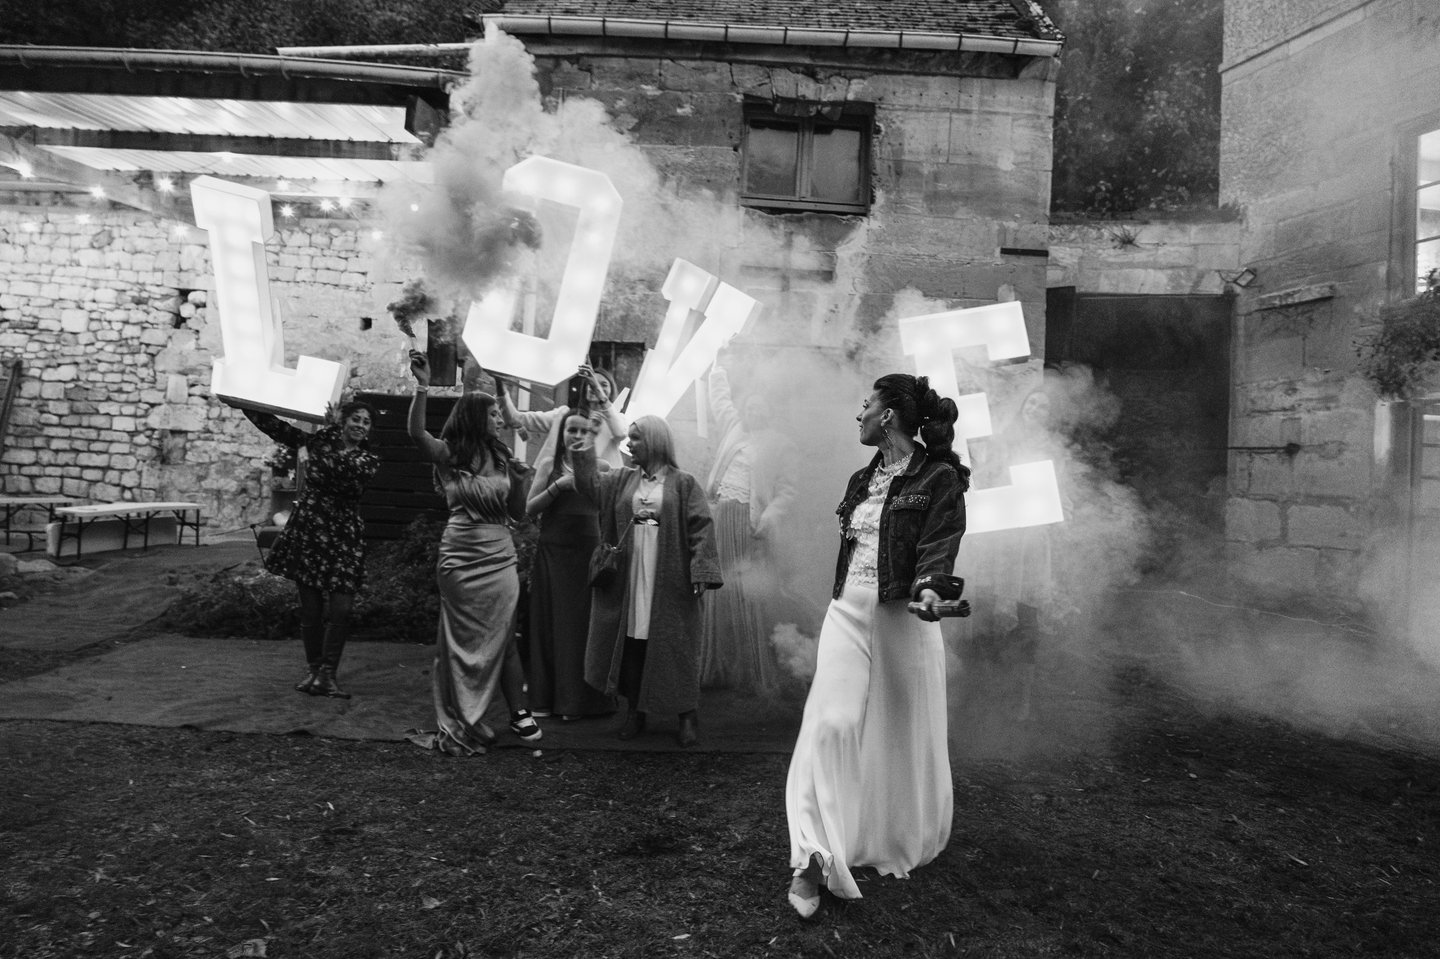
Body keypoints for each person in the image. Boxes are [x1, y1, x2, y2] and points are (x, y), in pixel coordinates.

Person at [784, 373, 968, 919]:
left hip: (901, 619)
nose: (857, 414)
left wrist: (931, 588)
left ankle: (884, 831)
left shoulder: (939, 479)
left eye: (865, 405)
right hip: (847, 613)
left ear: (887, 416)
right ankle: (811, 860)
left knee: (897, 732)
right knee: (831, 724)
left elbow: (939, 544)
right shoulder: (859, 479)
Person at [406, 351, 540, 756]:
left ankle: (520, 712)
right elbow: (416, 435)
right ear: (477, 417)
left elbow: (517, 514)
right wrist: (423, 386)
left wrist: (518, 483)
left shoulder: (502, 458)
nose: (501, 421)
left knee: (505, 633)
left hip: (499, 555)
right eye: (495, 415)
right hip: (459, 557)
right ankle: (466, 714)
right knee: (459, 640)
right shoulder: (450, 455)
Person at [572, 415, 722, 747]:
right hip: (630, 575)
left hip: (669, 574)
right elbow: (588, 487)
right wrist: (583, 447)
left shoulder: (684, 483)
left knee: (676, 645)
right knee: (632, 642)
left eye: (636, 438)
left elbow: (701, 527)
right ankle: (634, 712)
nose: (628, 444)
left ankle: (686, 714)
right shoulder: (622, 479)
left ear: (654, 442)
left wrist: (701, 570)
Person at [236, 400, 380, 699]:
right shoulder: (318, 442)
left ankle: (328, 673)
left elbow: (337, 470)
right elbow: (277, 428)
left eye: (366, 422)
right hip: (311, 531)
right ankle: (315, 671)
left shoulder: (367, 459)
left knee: (342, 608)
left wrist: (328, 435)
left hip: (343, 536)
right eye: (356, 418)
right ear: (344, 420)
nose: (360, 425)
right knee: (311, 609)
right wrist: (242, 402)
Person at [699, 363, 797, 695]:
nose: (753, 412)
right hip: (721, 518)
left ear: (769, 411)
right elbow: (719, 399)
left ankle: (750, 667)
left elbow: (787, 491)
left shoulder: (780, 444)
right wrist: (719, 365)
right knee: (718, 587)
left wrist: (768, 519)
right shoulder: (733, 427)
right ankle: (717, 663)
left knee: (746, 591)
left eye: (760, 407)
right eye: (749, 407)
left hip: (749, 524)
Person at [524, 411, 616, 720]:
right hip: (554, 551)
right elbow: (528, 509)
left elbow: (610, 506)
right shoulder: (548, 466)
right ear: (561, 433)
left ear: (592, 435)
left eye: (582, 431)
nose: (576, 436)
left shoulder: (602, 467)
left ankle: (581, 701)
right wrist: (557, 488)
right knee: (554, 624)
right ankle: (550, 700)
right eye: (570, 430)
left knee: (583, 626)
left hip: (587, 553)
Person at [498, 363, 627, 470]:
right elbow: (515, 419)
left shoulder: (616, 420)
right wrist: (500, 386)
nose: (595, 387)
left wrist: (598, 389)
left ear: (611, 392)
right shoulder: (562, 416)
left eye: (603, 384)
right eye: (591, 383)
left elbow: (620, 432)